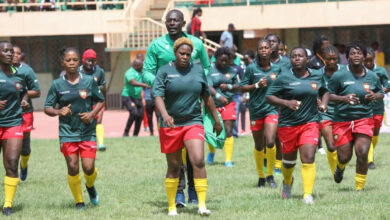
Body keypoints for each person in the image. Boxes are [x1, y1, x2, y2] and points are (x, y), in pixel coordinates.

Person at [142, 9, 211, 207]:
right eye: (169, 20)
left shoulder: (196, 43)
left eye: (176, 20)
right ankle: (178, 192)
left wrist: (196, 81)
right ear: (165, 23)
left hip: (190, 103)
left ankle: (193, 189)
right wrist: (162, 84)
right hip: (166, 104)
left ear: (183, 23)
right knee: (175, 153)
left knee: (193, 151)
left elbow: (206, 67)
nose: (172, 23)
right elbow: (147, 71)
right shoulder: (156, 45)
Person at [153, 38, 222, 216]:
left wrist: (216, 120)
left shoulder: (198, 70)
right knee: (174, 167)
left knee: (198, 160)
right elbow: (158, 96)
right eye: (181, 54)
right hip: (172, 124)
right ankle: (171, 206)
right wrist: (165, 115)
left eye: (188, 54)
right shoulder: (164, 71)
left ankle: (202, 205)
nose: (184, 57)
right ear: (174, 53)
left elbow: (207, 97)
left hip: (193, 122)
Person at [266, 47, 329, 204]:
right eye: (294, 56)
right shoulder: (283, 78)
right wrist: (286, 102)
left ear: (307, 59)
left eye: (300, 56)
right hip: (288, 125)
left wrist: (324, 104)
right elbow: (269, 96)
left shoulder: (316, 75)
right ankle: (287, 182)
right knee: (288, 163)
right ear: (290, 60)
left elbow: (324, 91)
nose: (297, 58)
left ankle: (307, 195)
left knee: (308, 157)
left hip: (310, 123)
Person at [44, 47, 104, 210]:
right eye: (68, 60)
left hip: (87, 131)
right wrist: (59, 111)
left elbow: (100, 100)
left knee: (88, 167)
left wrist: (91, 114)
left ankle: (90, 187)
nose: (72, 63)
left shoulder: (89, 81)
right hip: (67, 132)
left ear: (79, 62)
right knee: (72, 167)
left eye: (75, 60)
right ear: (63, 63)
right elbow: (47, 107)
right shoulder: (57, 85)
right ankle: (79, 201)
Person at [328, 42, 383, 192]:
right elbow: (328, 94)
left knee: (363, 152)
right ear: (347, 57)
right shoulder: (339, 75)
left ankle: (359, 188)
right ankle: (340, 167)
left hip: (364, 118)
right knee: (345, 157)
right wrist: (343, 98)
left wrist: (376, 95)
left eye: (359, 53)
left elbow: (381, 93)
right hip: (342, 119)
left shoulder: (372, 76)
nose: (356, 56)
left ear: (364, 56)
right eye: (352, 53)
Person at [240, 39, 281, 188]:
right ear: (258, 51)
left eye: (266, 48)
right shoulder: (251, 69)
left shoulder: (277, 68)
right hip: (256, 109)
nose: (264, 50)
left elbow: (283, 86)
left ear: (271, 51)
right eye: (261, 48)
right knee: (259, 145)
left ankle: (270, 176)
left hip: (271, 109)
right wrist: (256, 85)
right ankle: (261, 177)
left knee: (270, 141)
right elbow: (242, 87)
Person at [0, 41, 30, 216]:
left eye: (11, 51)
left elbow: (23, 91)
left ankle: (8, 205)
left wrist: (24, 100)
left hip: (13, 123)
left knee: (11, 163)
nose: (10, 54)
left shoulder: (18, 75)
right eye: (5, 51)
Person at [207, 47, 239, 167]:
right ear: (216, 58)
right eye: (222, 60)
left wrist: (229, 87)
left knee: (228, 131)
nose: (224, 63)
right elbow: (208, 86)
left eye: (226, 61)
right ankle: (211, 152)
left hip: (228, 103)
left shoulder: (232, 70)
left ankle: (228, 160)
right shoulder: (210, 69)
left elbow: (239, 85)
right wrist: (218, 95)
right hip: (213, 104)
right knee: (212, 131)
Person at [12, 45, 41, 182]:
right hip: (6, 113)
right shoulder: (2, 70)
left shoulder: (27, 71)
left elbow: (37, 91)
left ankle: (23, 164)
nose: (15, 55)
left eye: (18, 53)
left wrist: (23, 95)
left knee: (25, 147)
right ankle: (12, 172)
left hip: (25, 113)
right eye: (12, 53)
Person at [265, 33, 291, 172]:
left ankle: (278, 165)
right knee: (267, 139)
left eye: (274, 41)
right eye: (268, 41)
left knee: (277, 136)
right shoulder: (259, 61)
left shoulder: (286, 62)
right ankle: (266, 160)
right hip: (263, 103)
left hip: (281, 102)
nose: (271, 43)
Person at [319, 45, 345, 175]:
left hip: (343, 113)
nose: (332, 62)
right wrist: (318, 102)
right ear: (324, 59)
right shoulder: (317, 74)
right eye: (329, 59)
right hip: (324, 113)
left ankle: (340, 167)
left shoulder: (345, 71)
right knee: (330, 145)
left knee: (342, 147)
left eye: (335, 59)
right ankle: (335, 173)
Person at [364, 47, 389, 169]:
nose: (368, 63)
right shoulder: (359, 72)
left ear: (374, 59)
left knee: (375, 135)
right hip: (364, 108)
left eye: (370, 60)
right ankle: (369, 160)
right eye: (366, 61)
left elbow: (388, 86)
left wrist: (378, 93)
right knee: (367, 134)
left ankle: (371, 151)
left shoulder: (381, 71)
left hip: (378, 107)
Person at [78, 48, 107, 151]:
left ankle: (101, 144)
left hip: (96, 101)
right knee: (85, 123)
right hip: (82, 103)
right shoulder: (77, 72)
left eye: (93, 61)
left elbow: (103, 87)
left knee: (98, 120)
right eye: (88, 60)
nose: (90, 63)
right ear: (83, 60)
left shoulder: (99, 71)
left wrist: (94, 89)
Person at [122, 59, 150, 137]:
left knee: (140, 115)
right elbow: (133, 82)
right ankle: (126, 132)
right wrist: (145, 85)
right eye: (141, 66)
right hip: (128, 96)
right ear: (136, 66)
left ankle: (135, 135)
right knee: (134, 113)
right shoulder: (129, 72)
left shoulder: (140, 72)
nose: (142, 67)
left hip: (137, 98)